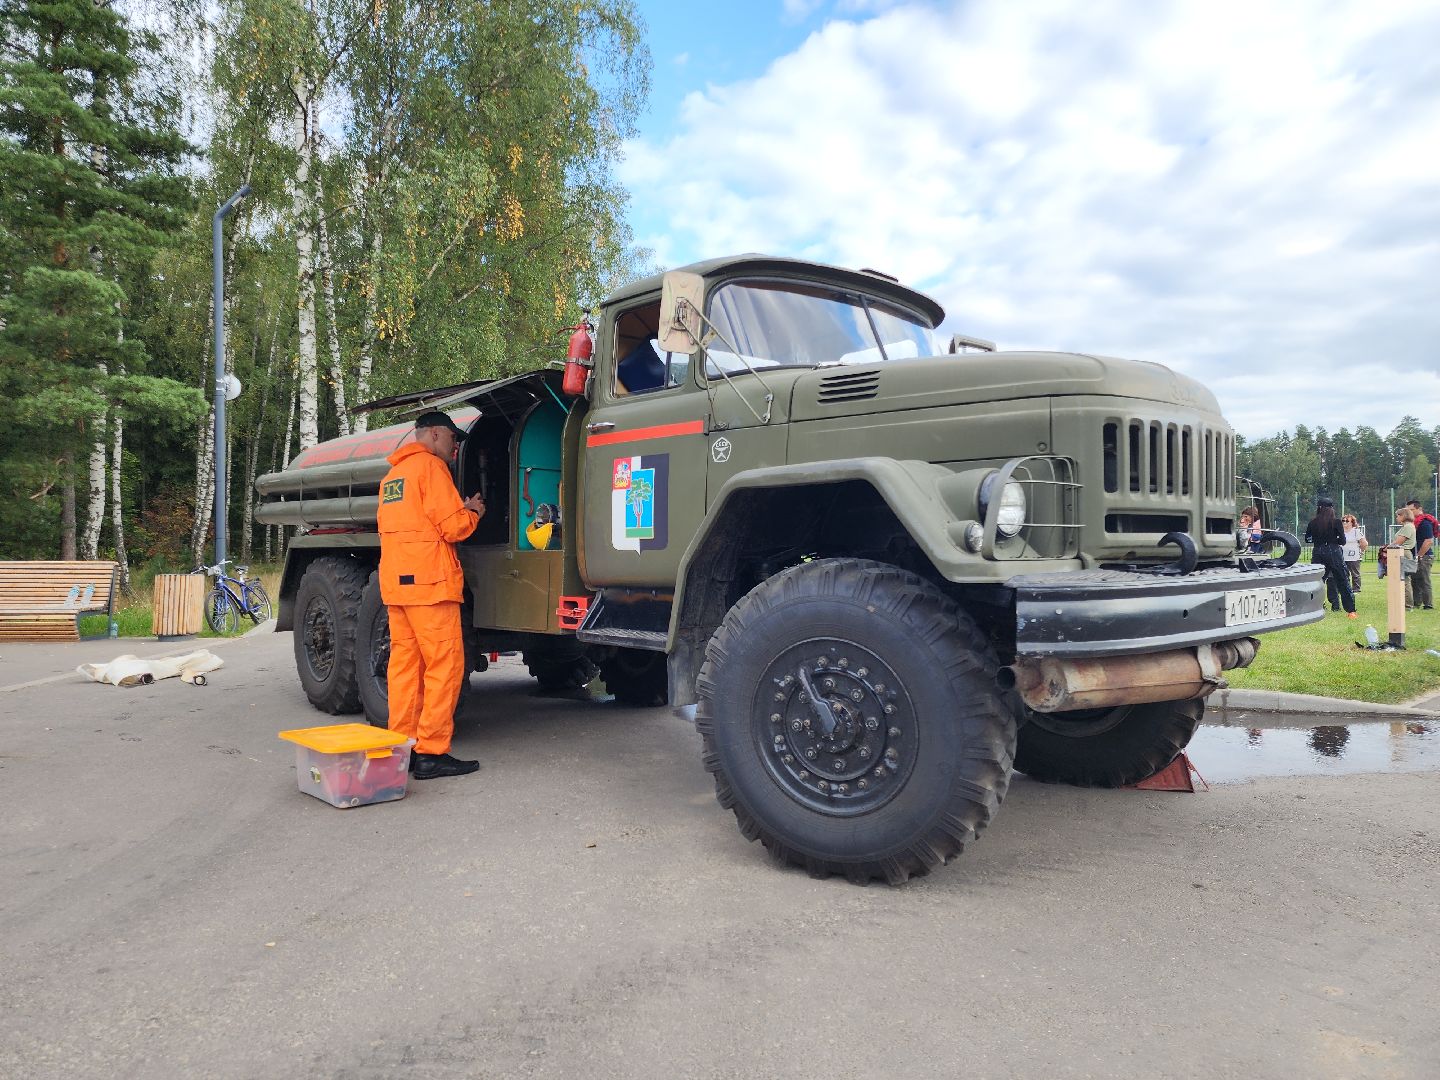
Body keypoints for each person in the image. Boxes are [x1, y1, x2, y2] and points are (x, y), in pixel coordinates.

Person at [377, 411, 486, 779]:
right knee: (445, 666)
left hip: (397, 586)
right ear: (436, 434)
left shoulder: (393, 476)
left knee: (406, 670)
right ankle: (432, 752)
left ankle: (401, 749)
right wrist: (472, 511)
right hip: (430, 587)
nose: (455, 447)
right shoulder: (431, 469)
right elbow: (453, 527)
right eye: (453, 439)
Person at [1304, 496, 1356, 618]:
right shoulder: (1337, 522)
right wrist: (1334, 540)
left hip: (1318, 552)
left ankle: (1314, 607)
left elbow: (1308, 539)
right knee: (1343, 580)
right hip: (1333, 551)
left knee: (1317, 581)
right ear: (1331, 509)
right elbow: (1342, 541)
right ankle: (1351, 610)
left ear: (1319, 508)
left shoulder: (1312, 523)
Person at [1405, 498, 1434, 610]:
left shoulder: (1425, 523)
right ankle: (1417, 603)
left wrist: (1419, 555)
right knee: (1414, 580)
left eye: (1411, 510)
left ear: (1419, 509)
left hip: (1424, 556)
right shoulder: (1413, 523)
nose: (1409, 513)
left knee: (1424, 580)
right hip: (1415, 555)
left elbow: (1429, 541)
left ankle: (1428, 604)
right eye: (1408, 510)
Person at [1389, 507, 1417, 611]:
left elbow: (1398, 542)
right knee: (1401, 580)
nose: (1397, 518)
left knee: (1404, 580)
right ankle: (1402, 603)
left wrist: (1387, 547)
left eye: (1398, 515)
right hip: (1401, 553)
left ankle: (1408, 606)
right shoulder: (1406, 526)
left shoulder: (1408, 527)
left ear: (1404, 516)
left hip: (1403, 553)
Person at [1341, 513, 1368, 594]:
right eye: (1343, 520)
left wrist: (1361, 551)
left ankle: (1356, 589)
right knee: (1344, 574)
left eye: (1347, 521)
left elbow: (1364, 543)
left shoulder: (1356, 532)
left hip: (1353, 557)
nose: (1345, 522)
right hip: (1342, 556)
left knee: (1355, 574)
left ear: (1352, 522)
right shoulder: (1340, 532)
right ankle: (1346, 588)